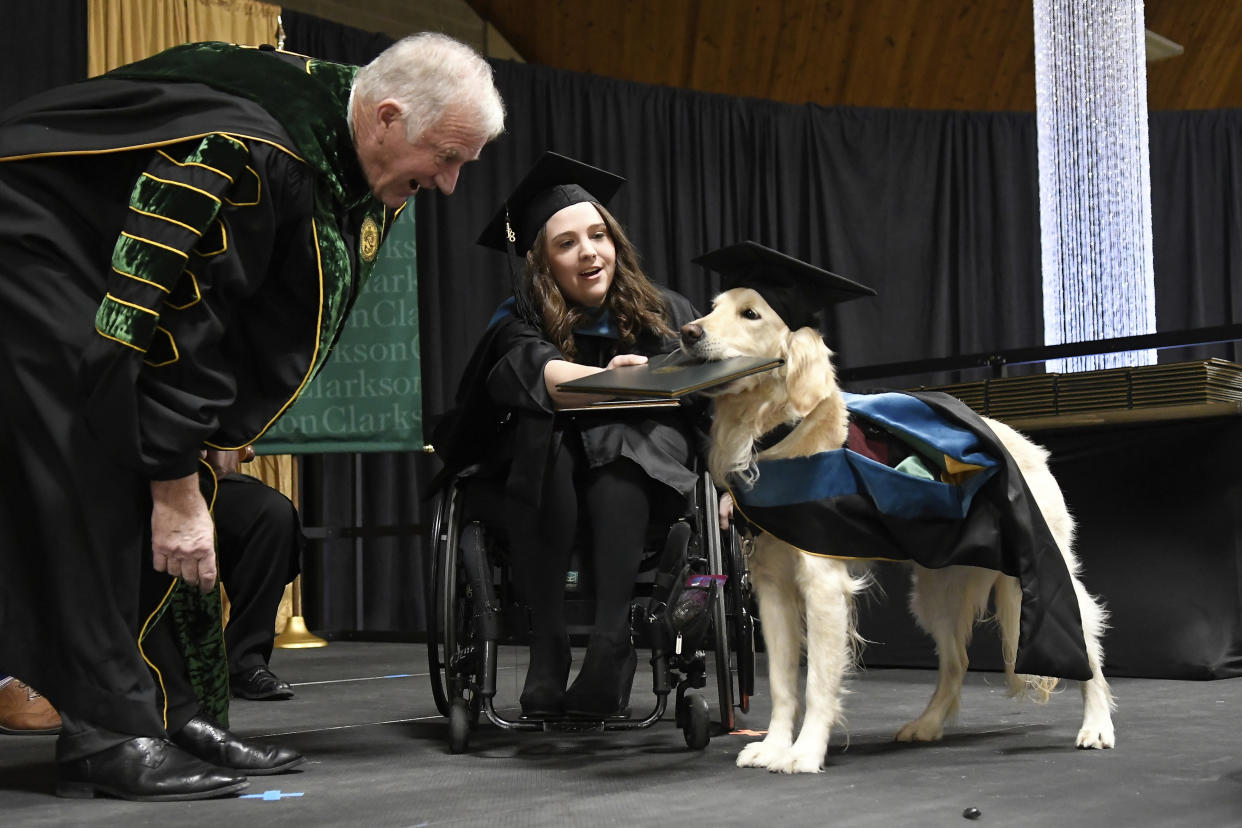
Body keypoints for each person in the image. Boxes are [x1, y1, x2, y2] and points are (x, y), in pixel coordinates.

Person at [0, 34, 505, 802]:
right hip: (29, 249)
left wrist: (213, 438)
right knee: (97, 472)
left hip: (84, 266)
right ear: (388, 117)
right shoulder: (252, 152)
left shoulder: (339, 122)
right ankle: (107, 732)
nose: (449, 184)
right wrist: (174, 483)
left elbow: (237, 318)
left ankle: (169, 711)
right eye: (444, 156)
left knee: (154, 469)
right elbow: (172, 317)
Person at [434, 152, 705, 719]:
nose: (588, 252)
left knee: (623, 446)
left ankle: (611, 645)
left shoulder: (665, 312)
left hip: (641, 482)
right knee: (545, 442)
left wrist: (724, 485)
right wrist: (616, 382)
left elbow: (711, 400)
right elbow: (545, 379)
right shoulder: (519, 320)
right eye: (566, 244)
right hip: (539, 490)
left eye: (598, 235)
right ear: (542, 262)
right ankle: (548, 643)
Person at [202, 447, 303, 702]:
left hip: (200, 478)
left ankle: (245, 661)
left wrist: (226, 446)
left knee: (270, 512)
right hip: (133, 480)